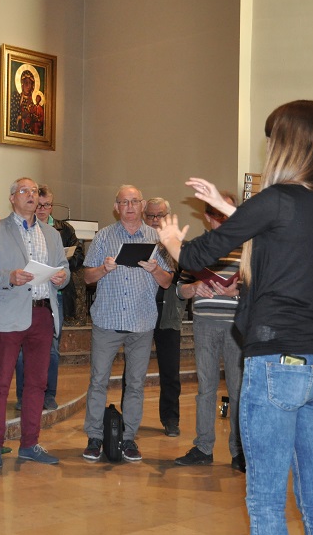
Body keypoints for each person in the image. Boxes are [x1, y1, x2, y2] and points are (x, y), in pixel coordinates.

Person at [158, 100, 313, 535]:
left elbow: (197, 255)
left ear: (286, 144)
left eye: (272, 139)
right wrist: (228, 207)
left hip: (278, 362)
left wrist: (171, 241)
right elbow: (283, 235)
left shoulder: (276, 199)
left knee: (266, 503)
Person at [0, 177, 69, 468]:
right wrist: (9, 276)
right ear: (12, 198)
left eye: (35, 191)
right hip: (9, 314)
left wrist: (62, 277)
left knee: (37, 384)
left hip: (42, 314)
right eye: (24, 191)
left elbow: (64, 268)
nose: (31, 195)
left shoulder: (51, 233)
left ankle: (30, 443)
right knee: (0, 383)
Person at [81, 185, 172, 463]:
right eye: (124, 202)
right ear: (116, 207)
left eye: (134, 201)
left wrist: (155, 269)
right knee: (98, 381)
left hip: (141, 322)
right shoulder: (103, 237)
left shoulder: (157, 239)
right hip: (107, 321)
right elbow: (87, 277)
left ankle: (129, 438)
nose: (130, 207)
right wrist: (103, 269)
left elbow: (167, 282)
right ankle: (95, 437)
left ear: (142, 205)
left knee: (135, 383)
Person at [174, 194, 245, 471]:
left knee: (238, 389)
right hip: (204, 324)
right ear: (206, 217)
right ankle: (203, 447)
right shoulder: (197, 248)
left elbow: (259, 286)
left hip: (237, 327)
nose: (222, 219)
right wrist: (193, 288)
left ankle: (239, 451)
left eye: (227, 212)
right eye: (216, 214)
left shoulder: (247, 247)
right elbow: (180, 289)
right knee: (206, 388)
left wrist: (236, 290)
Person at [14, 185, 84, 410]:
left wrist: (61, 265)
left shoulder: (63, 229)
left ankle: (49, 394)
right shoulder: (20, 228)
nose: (43, 209)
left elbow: (78, 255)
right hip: (25, 295)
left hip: (55, 295)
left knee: (52, 348)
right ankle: (23, 395)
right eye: (39, 205)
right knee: (22, 351)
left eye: (47, 205)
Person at [143, 197, 185, 437]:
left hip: (168, 312)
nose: (155, 220)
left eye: (160, 215)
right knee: (134, 368)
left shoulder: (177, 244)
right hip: (140, 311)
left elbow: (182, 275)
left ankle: (171, 418)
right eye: (150, 215)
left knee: (170, 369)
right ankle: (129, 417)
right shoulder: (137, 239)